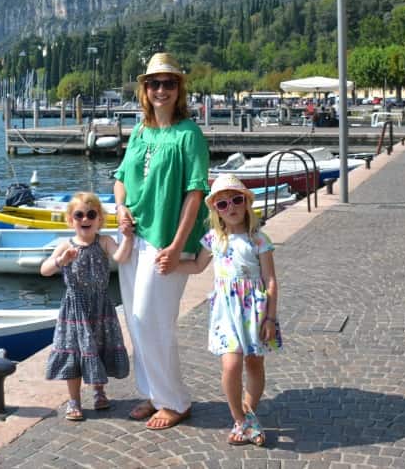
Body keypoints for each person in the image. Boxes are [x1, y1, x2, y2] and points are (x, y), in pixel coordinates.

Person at [113, 52, 210, 430]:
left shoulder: (189, 134)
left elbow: (195, 193)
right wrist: (120, 208)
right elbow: (121, 177)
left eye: (168, 83)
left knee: (154, 320)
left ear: (179, 89)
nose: (161, 89)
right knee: (137, 323)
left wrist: (176, 245)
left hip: (165, 239)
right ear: (144, 89)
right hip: (133, 235)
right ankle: (154, 394)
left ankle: (176, 400)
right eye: (154, 83)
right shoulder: (139, 131)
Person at [176, 174, 281, 446]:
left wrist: (270, 316)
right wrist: (170, 264)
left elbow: (270, 279)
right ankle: (239, 419)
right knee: (231, 364)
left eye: (236, 200)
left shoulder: (258, 239)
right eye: (222, 204)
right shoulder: (213, 238)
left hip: (254, 310)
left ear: (246, 202)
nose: (230, 207)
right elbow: (197, 266)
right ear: (215, 211)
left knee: (254, 362)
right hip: (225, 310)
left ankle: (248, 411)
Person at [40, 192, 132, 421]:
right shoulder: (65, 246)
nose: (85, 219)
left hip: (100, 307)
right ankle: (74, 400)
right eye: (79, 215)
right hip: (74, 309)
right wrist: (62, 261)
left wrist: (128, 238)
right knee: (74, 352)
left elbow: (120, 257)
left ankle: (99, 391)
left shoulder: (104, 242)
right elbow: (45, 269)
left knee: (99, 348)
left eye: (91, 214)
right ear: (71, 220)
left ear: (99, 219)